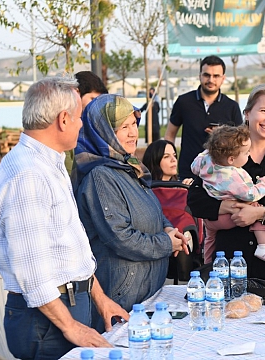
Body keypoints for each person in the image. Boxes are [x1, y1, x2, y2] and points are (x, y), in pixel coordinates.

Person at [0, 76, 129, 360]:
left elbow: (71, 246)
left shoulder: (49, 163)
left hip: (64, 309)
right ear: (63, 119)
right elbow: (32, 272)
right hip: (45, 321)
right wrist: (70, 326)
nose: (81, 124)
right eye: (79, 117)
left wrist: (100, 300)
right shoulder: (28, 174)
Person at [72, 94, 189, 332]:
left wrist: (167, 227)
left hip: (144, 295)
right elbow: (120, 238)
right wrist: (166, 244)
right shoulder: (100, 176)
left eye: (134, 124)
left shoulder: (128, 167)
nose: (133, 133)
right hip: (121, 300)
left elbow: (151, 208)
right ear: (102, 131)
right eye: (123, 127)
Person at [187, 84, 265, 281]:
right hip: (230, 266)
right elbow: (195, 200)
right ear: (247, 113)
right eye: (264, 111)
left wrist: (260, 213)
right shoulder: (222, 151)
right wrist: (224, 207)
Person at [191, 125, 265, 267]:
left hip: (210, 220)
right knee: (255, 209)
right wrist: (264, 184)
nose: (249, 154)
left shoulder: (205, 160)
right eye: (246, 153)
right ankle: (263, 247)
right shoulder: (232, 177)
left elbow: (194, 166)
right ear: (231, 159)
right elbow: (251, 195)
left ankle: (207, 264)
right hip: (229, 218)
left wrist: (212, 150)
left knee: (210, 240)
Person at [165, 55, 243, 180]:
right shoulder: (184, 102)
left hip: (221, 176)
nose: (211, 80)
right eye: (206, 75)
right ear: (200, 75)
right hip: (188, 173)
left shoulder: (231, 106)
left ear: (223, 78)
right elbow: (169, 135)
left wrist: (220, 136)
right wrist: (169, 162)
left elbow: (241, 144)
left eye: (216, 76)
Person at [65, 71, 109, 173]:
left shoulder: (101, 128)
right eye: (92, 99)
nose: (97, 105)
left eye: (100, 100)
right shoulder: (66, 129)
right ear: (77, 94)